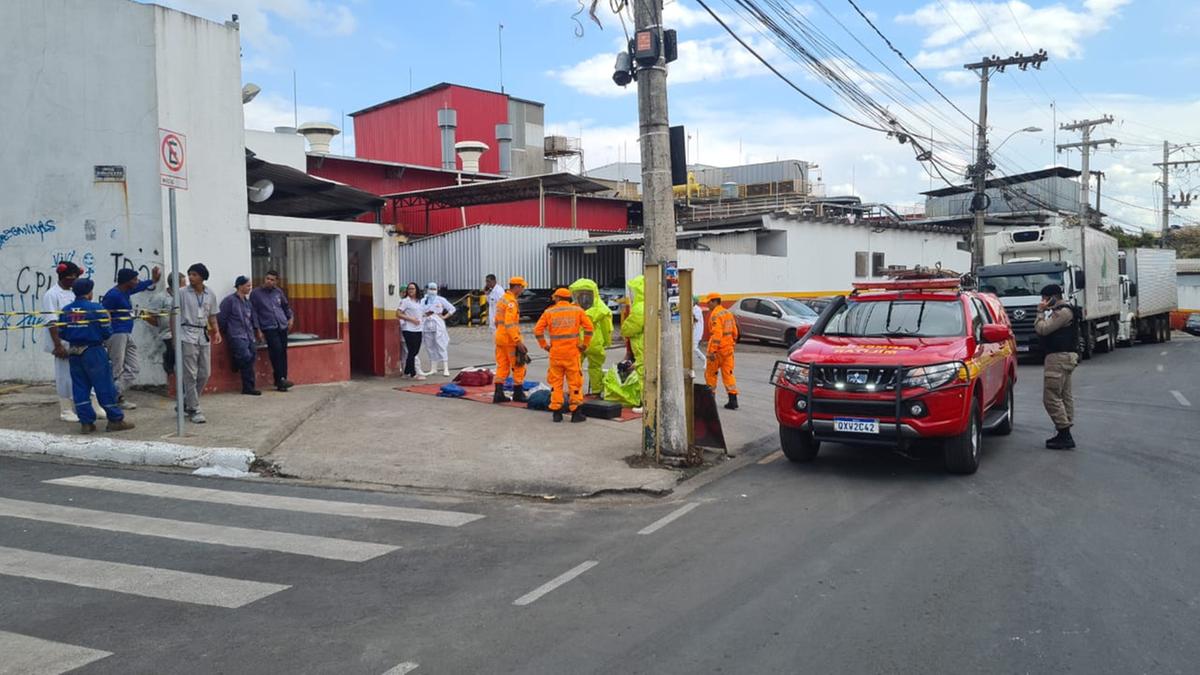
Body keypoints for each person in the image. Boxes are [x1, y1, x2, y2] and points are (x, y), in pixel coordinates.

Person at [58, 278, 134, 433]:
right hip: (94, 351)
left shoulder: (66, 310)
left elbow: (62, 333)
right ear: (89, 292)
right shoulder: (96, 309)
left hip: (74, 352)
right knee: (104, 386)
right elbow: (107, 332)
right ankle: (115, 419)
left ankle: (86, 423)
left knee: (80, 388)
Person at [42, 262, 105, 422]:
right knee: (64, 376)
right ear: (65, 277)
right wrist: (58, 345)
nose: (76, 281)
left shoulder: (73, 293)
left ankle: (92, 405)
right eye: (73, 278)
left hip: (78, 342)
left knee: (84, 375)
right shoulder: (51, 294)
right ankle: (66, 409)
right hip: (62, 343)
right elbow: (51, 321)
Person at [101, 266, 161, 409]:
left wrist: (152, 280)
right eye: (134, 279)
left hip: (126, 333)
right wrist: (106, 331)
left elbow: (139, 287)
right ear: (127, 281)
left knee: (133, 368)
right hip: (116, 334)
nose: (137, 281)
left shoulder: (125, 291)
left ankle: (112, 393)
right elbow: (105, 313)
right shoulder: (113, 295)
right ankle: (113, 399)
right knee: (117, 367)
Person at [535, 287, 594, 422]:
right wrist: (585, 344)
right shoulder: (577, 311)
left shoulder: (549, 312)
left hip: (556, 354)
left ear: (557, 298)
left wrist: (545, 345)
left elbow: (537, 330)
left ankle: (556, 412)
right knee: (575, 383)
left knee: (556, 384)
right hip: (572, 353)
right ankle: (576, 413)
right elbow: (589, 328)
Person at [1034, 283, 1079, 450]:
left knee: (1051, 396)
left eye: (1045, 298)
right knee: (1064, 394)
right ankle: (1064, 431)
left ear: (1053, 297)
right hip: (1064, 357)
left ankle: (1064, 433)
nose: (1043, 301)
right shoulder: (1065, 311)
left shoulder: (1063, 312)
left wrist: (1040, 312)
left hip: (1059, 357)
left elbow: (1043, 329)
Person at [180, 263, 220, 423]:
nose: (191, 277)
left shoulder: (210, 293)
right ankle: (194, 408)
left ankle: (186, 401)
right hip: (187, 334)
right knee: (190, 374)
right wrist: (175, 337)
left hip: (203, 334)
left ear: (202, 277)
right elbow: (173, 315)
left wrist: (216, 331)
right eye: (189, 274)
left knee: (205, 373)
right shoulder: (182, 293)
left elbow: (212, 315)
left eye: (194, 274)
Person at [250, 270, 294, 392]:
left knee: (283, 352)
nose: (269, 281)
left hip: (282, 325)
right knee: (276, 351)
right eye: (267, 278)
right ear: (264, 279)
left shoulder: (278, 292)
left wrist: (290, 318)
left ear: (276, 281)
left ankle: (282, 379)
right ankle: (280, 378)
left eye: (272, 279)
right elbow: (254, 313)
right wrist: (257, 329)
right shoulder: (256, 294)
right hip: (268, 327)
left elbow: (285, 306)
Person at [219, 276, 263, 396]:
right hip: (236, 335)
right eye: (248, 285)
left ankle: (237, 363)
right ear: (240, 286)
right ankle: (248, 386)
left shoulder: (247, 302)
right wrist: (227, 331)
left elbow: (253, 317)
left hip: (249, 335)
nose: (250, 288)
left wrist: (257, 330)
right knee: (246, 357)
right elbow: (222, 318)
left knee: (251, 357)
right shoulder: (229, 301)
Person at [568, 278, 612, 396]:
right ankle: (596, 391)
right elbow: (607, 328)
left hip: (577, 342)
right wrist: (607, 342)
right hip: (594, 341)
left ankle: (575, 390)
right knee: (595, 367)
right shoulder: (601, 309)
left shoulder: (573, 307)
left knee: (575, 366)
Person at [493, 276, 529, 404]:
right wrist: (517, 341)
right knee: (519, 365)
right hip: (510, 339)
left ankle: (498, 393)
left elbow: (496, 321)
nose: (523, 290)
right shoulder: (511, 302)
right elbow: (510, 323)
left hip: (500, 337)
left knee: (502, 365)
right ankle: (518, 393)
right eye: (522, 287)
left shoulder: (502, 300)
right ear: (517, 287)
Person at [704, 292, 740, 410]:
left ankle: (710, 400)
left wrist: (713, 351)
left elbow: (717, 335)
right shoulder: (728, 313)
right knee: (728, 374)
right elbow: (735, 332)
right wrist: (731, 343)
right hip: (728, 349)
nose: (707, 304)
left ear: (714, 301)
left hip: (717, 350)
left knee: (711, 374)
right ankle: (733, 399)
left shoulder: (715, 315)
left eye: (708, 302)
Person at [145, 273, 184, 376]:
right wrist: (160, 324)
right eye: (183, 284)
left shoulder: (183, 296)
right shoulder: (161, 297)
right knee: (172, 347)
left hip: (183, 331)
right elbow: (148, 315)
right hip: (167, 333)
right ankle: (169, 366)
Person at [419, 282, 455, 377]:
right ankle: (433, 368)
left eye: (434, 289)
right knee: (429, 346)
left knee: (441, 345)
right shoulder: (423, 300)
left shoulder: (441, 300)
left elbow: (452, 309)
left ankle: (445, 368)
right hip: (426, 325)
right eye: (430, 288)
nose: (432, 291)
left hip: (437, 324)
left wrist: (444, 316)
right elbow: (420, 311)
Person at [398, 282, 426, 379]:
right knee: (411, 350)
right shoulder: (405, 301)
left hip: (418, 329)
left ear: (416, 290)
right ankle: (413, 373)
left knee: (415, 351)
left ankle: (406, 372)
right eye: (409, 289)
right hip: (408, 328)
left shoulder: (419, 301)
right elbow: (398, 314)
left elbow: (420, 313)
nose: (411, 291)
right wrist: (411, 319)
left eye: (412, 289)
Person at [622, 275, 646, 380]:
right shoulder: (649, 303)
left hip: (641, 345)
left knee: (642, 374)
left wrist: (624, 328)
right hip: (645, 345)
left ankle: (643, 396)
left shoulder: (639, 308)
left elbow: (628, 329)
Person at [691, 295, 707, 374]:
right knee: (691, 348)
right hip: (693, 331)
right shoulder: (692, 308)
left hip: (697, 331)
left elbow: (695, 319)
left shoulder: (697, 309)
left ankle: (705, 359)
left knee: (694, 348)